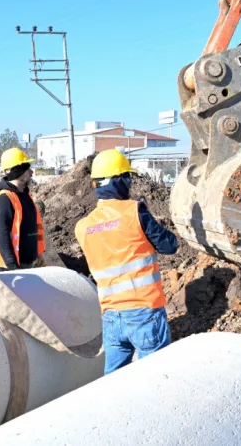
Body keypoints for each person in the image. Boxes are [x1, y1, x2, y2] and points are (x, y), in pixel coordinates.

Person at [74, 149, 179, 375]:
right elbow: (169, 246)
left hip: (111, 316)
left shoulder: (83, 227)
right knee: (157, 377)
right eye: (127, 178)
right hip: (144, 311)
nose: (130, 183)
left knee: (113, 382)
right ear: (118, 181)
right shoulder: (135, 212)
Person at [0, 147, 45, 272]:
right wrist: (13, 267)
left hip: (26, 265)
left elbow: (32, 229)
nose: (31, 172)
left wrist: (39, 253)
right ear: (17, 171)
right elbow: (2, 236)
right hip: (6, 267)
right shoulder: (4, 199)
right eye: (27, 168)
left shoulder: (25, 196)